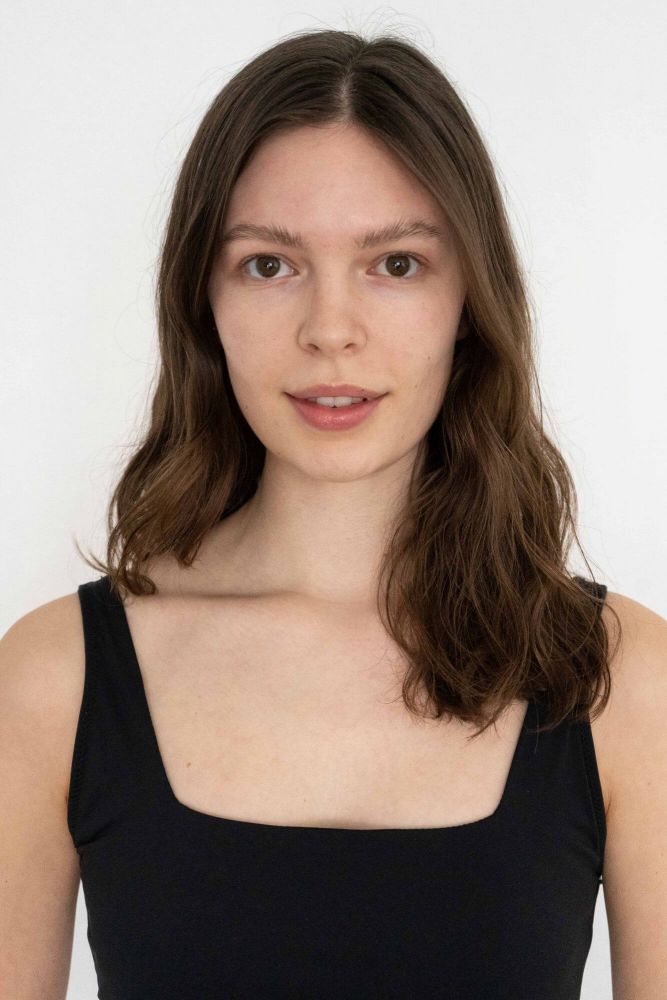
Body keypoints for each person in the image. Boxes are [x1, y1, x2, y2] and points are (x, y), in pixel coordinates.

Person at [1, 27, 665, 1000]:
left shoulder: (621, 681)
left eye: (395, 263)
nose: (329, 331)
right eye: (269, 265)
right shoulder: (53, 680)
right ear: (202, 299)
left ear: (469, 300)